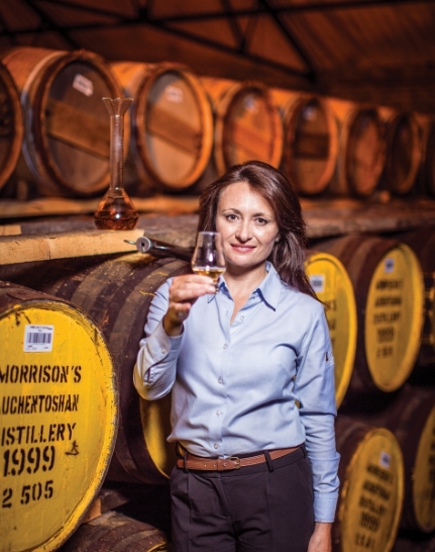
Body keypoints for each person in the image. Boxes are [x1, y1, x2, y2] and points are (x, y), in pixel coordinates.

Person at [134, 160, 340, 552]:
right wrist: (172, 324)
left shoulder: (303, 314)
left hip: (275, 484)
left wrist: (323, 524)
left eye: (261, 220)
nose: (244, 233)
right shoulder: (173, 296)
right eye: (232, 216)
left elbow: (318, 418)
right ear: (213, 222)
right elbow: (149, 388)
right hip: (195, 488)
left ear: (279, 231)